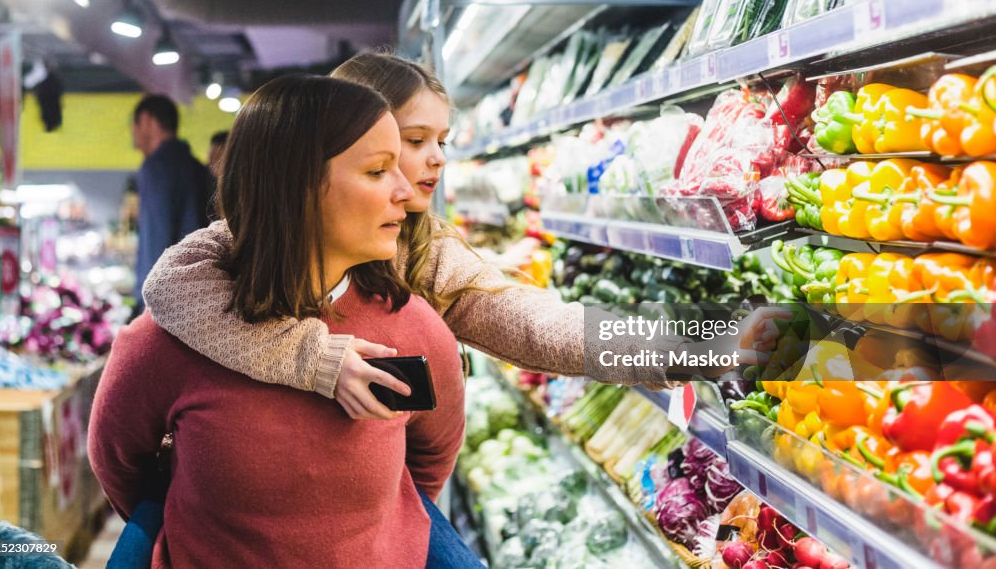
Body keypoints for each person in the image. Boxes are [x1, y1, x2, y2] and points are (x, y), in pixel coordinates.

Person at [142, 52, 687, 421]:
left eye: (442, 140)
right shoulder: (246, 244)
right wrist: (309, 357)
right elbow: (172, 287)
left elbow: (530, 322)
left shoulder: (423, 248)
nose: (437, 159)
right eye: (414, 139)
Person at [90, 75, 470, 568]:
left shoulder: (413, 328)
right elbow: (118, 460)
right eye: (378, 171)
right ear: (297, 188)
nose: (405, 190)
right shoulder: (168, 340)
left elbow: (428, 463)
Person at [130, 95, 213, 315]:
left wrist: (144, 304)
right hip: (196, 296)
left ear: (147, 120)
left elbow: (155, 238)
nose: (133, 134)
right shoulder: (196, 167)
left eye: (134, 125)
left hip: (165, 304)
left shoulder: (156, 168)